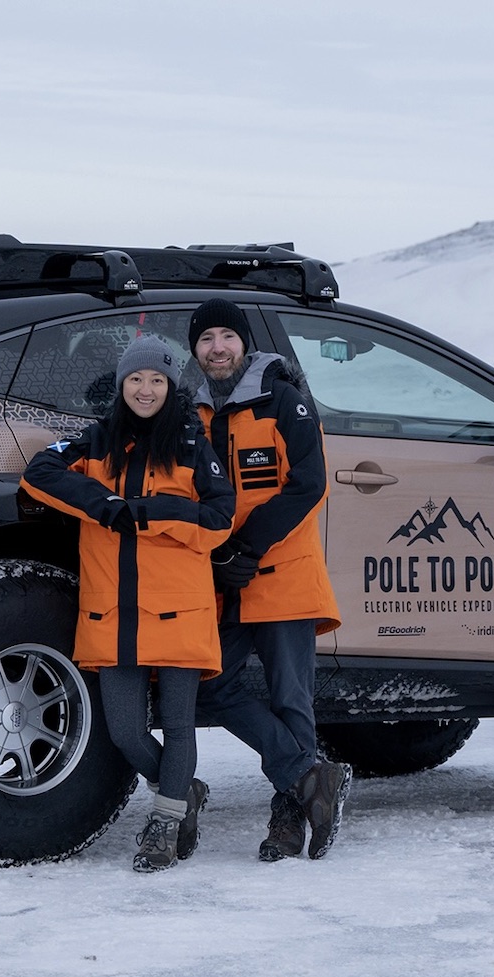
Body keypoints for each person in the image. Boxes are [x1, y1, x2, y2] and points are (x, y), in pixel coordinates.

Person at [20, 335, 234, 872]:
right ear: (121, 385)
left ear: (169, 387)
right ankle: (180, 788)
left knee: (179, 725)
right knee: (125, 732)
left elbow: (219, 517)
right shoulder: (95, 440)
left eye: (157, 380)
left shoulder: (191, 444)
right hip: (112, 611)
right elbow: (39, 473)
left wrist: (151, 512)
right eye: (136, 379)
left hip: (180, 608)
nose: (145, 389)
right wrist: (105, 505)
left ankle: (164, 824)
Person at [187, 297, 352, 862]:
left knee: (290, 699)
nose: (217, 348)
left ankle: (289, 822)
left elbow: (308, 486)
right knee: (212, 684)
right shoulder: (190, 415)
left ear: (243, 345)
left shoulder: (285, 401)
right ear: (195, 350)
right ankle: (308, 775)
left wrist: (248, 545)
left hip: (280, 573)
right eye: (206, 339)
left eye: (226, 337)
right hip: (220, 581)